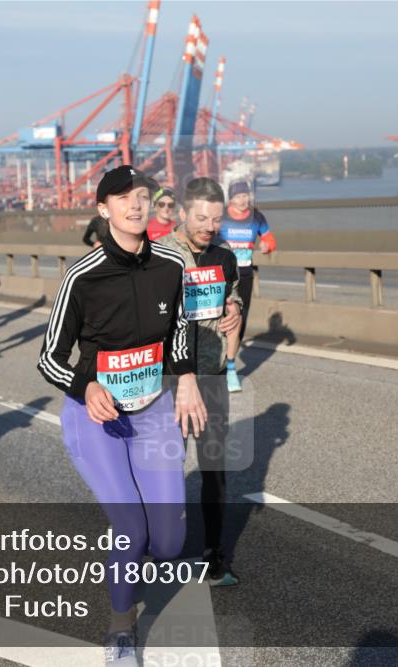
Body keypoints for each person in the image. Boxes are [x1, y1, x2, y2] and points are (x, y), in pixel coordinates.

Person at [37, 165, 206, 665]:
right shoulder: (82, 276)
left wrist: (189, 378)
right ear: (103, 208)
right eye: (123, 198)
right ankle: (120, 630)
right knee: (131, 529)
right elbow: (49, 356)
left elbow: (178, 332)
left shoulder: (170, 266)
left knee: (170, 542)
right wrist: (84, 384)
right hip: (97, 417)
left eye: (142, 196)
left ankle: (129, 560)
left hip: (153, 409)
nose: (136, 205)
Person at [157, 177, 243, 586]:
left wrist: (234, 313)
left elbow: (234, 298)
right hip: (167, 380)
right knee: (164, 469)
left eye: (216, 219)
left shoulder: (225, 255)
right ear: (183, 213)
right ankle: (154, 549)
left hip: (210, 376)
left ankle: (214, 556)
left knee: (214, 469)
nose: (209, 226)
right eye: (201, 218)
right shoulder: (158, 254)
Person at [219, 180, 277, 392]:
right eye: (238, 196)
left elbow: (270, 239)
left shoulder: (257, 217)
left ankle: (230, 366)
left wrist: (266, 245)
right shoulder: (221, 217)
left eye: (245, 196)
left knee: (239, 319)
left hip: (244, 274)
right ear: (231, 199)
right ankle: (221, 362)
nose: (243, 200)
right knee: (219, 319)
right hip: (222, 275)